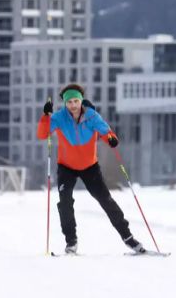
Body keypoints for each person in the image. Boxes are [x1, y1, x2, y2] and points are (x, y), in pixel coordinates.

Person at [38, 83, 146, 255]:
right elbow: (43, 134)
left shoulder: (92, 116)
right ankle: (71, 242)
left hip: (90, 167)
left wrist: (111, 138)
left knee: (106, 200)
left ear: (81, 101)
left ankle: (128, 238)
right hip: (66, 167)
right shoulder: (59, 117)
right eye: (69, 102)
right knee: (65, 203)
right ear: (65, 104)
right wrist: (45, 116)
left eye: (75, 101)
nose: (73, 105)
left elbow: (105, 131)